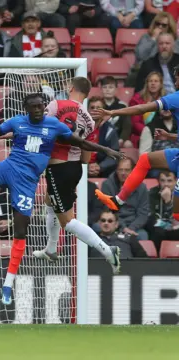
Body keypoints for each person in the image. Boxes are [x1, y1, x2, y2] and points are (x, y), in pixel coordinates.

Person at [0, 93, 123, 306]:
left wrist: (106, 150)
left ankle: (8, 285)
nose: (36, 109)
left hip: (27, 183)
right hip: (9, 168)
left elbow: (79, 142)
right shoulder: (17, 122)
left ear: (44, 107)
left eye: (40, 106)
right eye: (32, 106)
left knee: (21, 231)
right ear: (25, 107)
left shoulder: (54, 125)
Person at [33, 77, 121, 273]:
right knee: (49, 201)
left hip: (58, 169)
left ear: (70, 87)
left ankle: (107, 250)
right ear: (87, 94)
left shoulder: (56, 104)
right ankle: (51, 248)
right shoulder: (89, 120)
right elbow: (85, 159)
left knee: (68, 221)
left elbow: (41, 131)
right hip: (74, 170)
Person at [94, 65, 179, 220]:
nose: (175, 81)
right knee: (145, 160)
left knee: (176, 214)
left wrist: (113, 112)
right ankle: (118, 200)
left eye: (177, 78)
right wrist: (172, 136)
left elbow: (142, 108)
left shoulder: (176, 98)